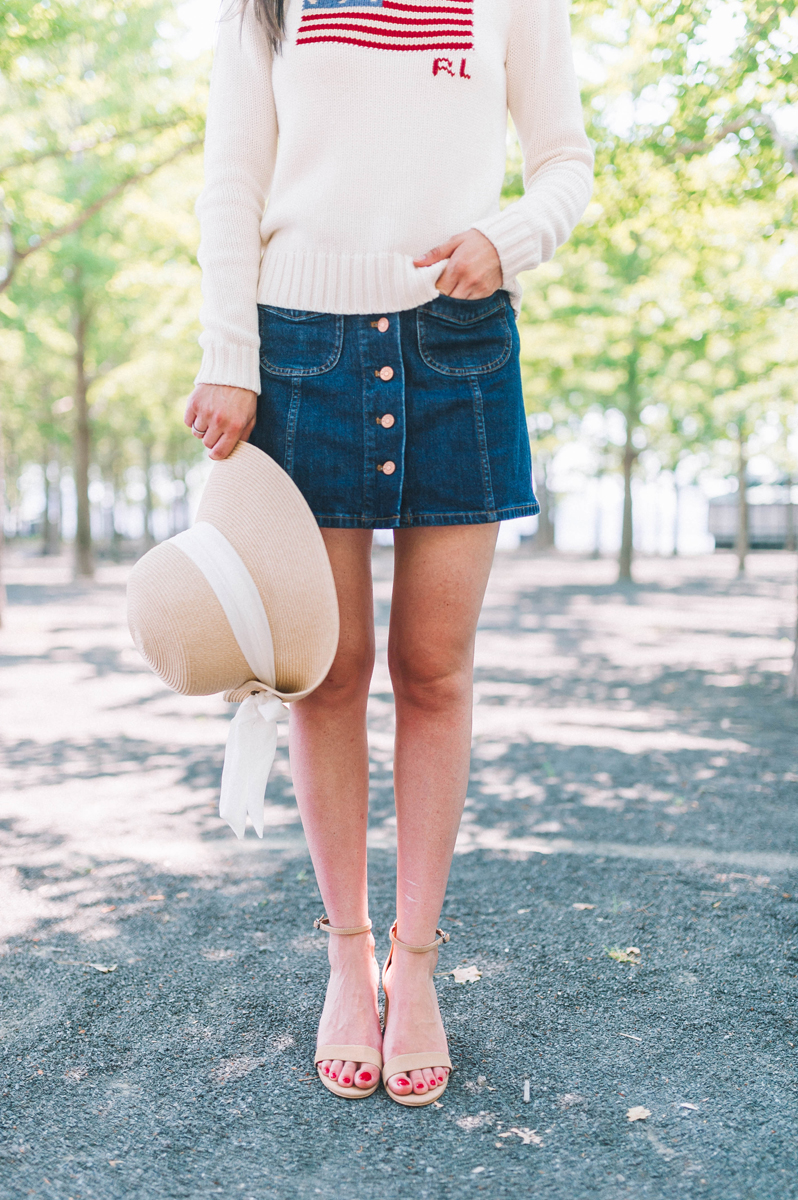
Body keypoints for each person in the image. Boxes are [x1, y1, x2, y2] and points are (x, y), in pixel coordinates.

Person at [184, 0, 593, 1105]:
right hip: (299, 347)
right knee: (330, 676)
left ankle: (415, 969)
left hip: (459, 342)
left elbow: (565, 163)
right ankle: (346, 956)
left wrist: (503, 240)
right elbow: (232, 178)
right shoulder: (269, 5)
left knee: (434, 669)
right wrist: (231, 354)